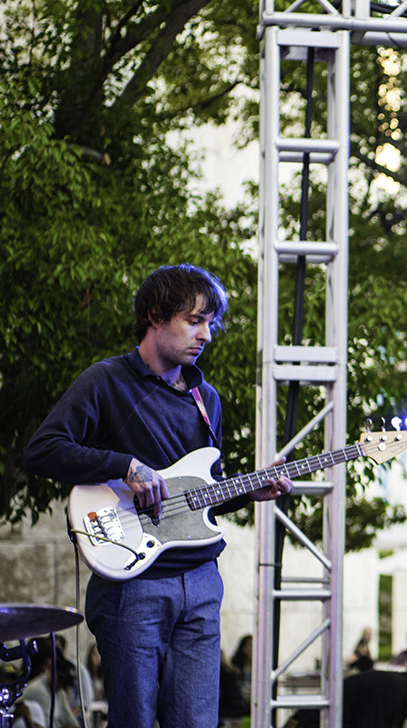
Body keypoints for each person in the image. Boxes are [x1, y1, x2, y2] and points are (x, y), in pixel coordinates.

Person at [23, 263, 293, 728]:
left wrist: (249, 491)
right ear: (155, 315)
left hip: (201, 580)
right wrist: (123, 465)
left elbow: (200, 497)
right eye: (194, 321)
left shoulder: (206, 398)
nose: (206, 335)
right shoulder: (106, 381)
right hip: (132, 585)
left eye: (211, 323)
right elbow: (42, 450)